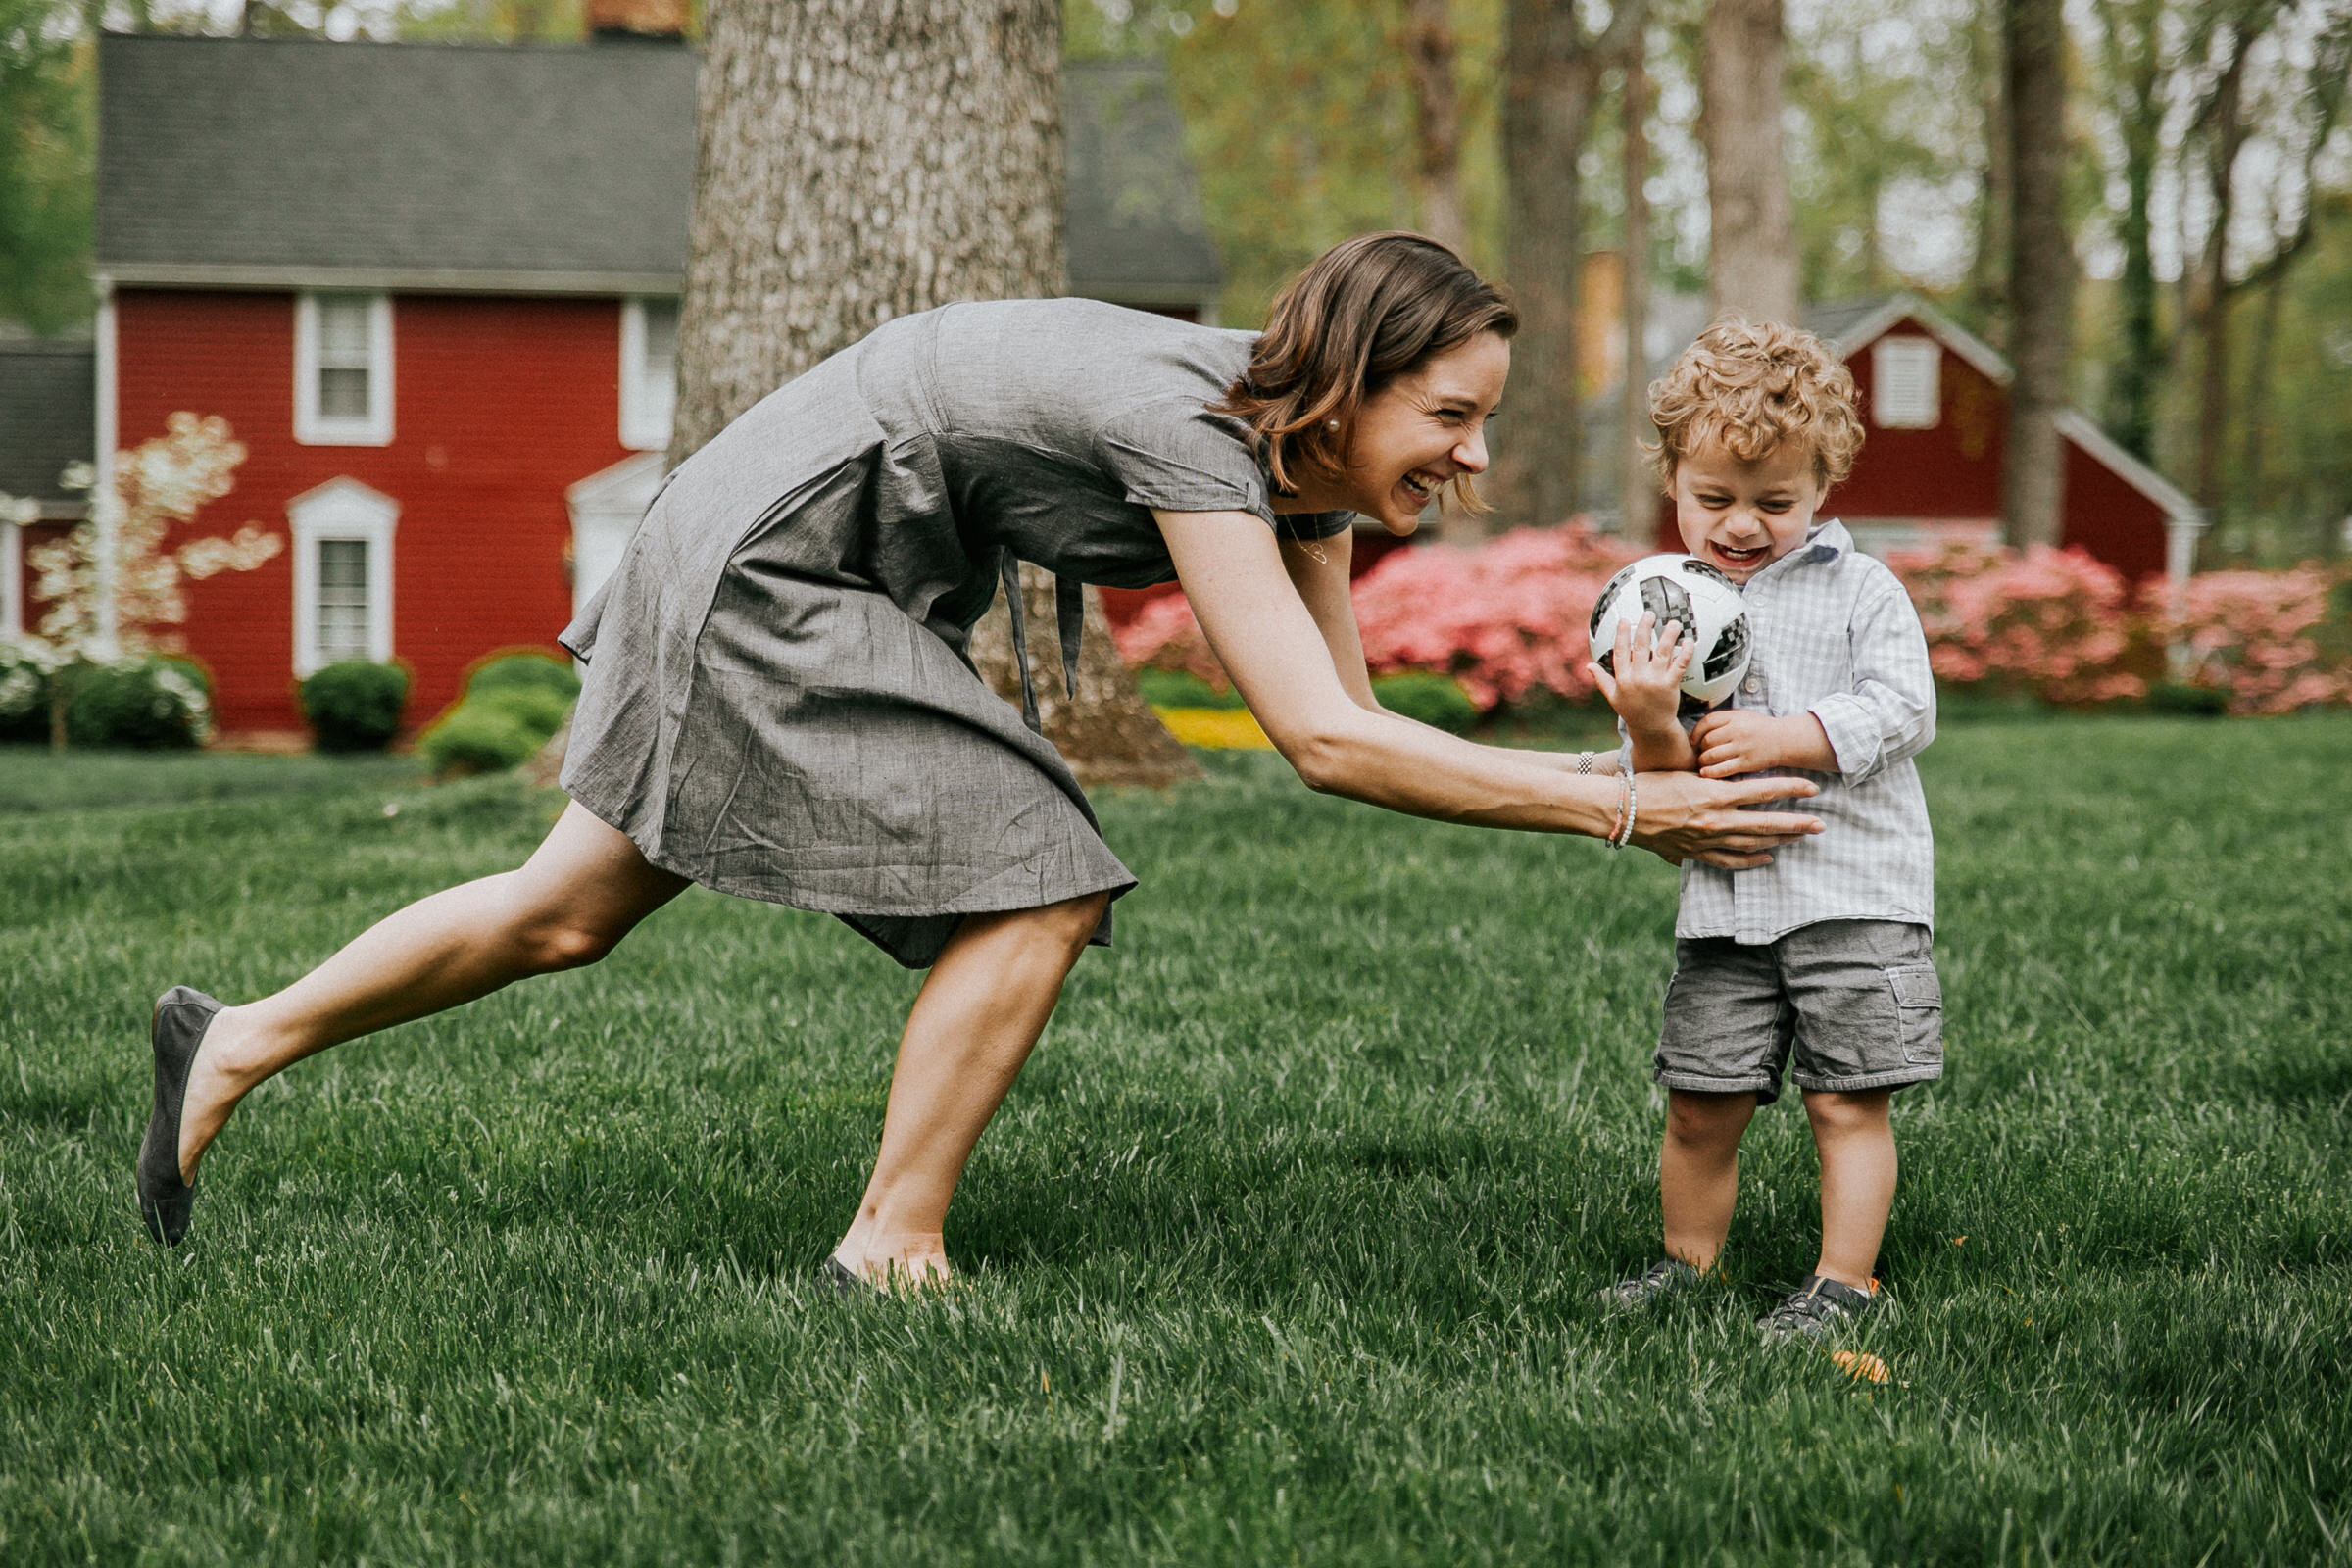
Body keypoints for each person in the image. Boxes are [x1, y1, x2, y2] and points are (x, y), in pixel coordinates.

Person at [138, 233, 1825, 1290]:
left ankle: (237, 1040)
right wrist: (1627, 811)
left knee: (564, 910)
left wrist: (1636, 764)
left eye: (1482, 424)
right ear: (1354, 381)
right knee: (1040, 877)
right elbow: (1320, 743)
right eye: (1449, 419)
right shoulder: (1201, 436)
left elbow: (1357, 726)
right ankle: (892, 1243)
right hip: (770, 571)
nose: (1469, 456)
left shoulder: (1297, 469)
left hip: (766, 552)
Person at [1590, 319, 1941, 1341]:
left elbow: (1903, 707)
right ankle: (1687, 1266)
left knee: (1846, 1100)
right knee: (1702, 1099)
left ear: (1822, 486)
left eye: (1774, 502)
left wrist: (1791, 734)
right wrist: (1655, 724)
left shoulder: (1860, 588)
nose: (1741, 524)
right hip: (1727, 910)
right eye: (1715, 499)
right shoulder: (1657, 608)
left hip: (1853, 899)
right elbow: (1658, 785)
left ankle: (1844, 1284)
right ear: (1672, 480)